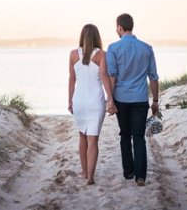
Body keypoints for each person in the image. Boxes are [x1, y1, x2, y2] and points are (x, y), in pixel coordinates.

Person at [106, 13, 159, 187]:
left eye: (116, 27)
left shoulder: (113, 48)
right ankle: (140, 176)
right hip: (140, 100)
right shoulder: (147, 48)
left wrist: (110, 100)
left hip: (121, 99)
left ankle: (128, 172)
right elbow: (153, 77)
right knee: (139, 136)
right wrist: (155, 101)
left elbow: (112, 76)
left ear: (120, 28)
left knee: (124, 135)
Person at [68, 23, 115, 185]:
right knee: (93, 139)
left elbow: (72, 79)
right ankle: (91, 177)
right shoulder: (102, 54)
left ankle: (84, 172)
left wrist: (69, 100)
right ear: (97, 37)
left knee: (82, 136)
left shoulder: (73, 54)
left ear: (82, 36)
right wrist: (111, 98)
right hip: (95, 100)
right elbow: (103, 75)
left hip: (79, 100)